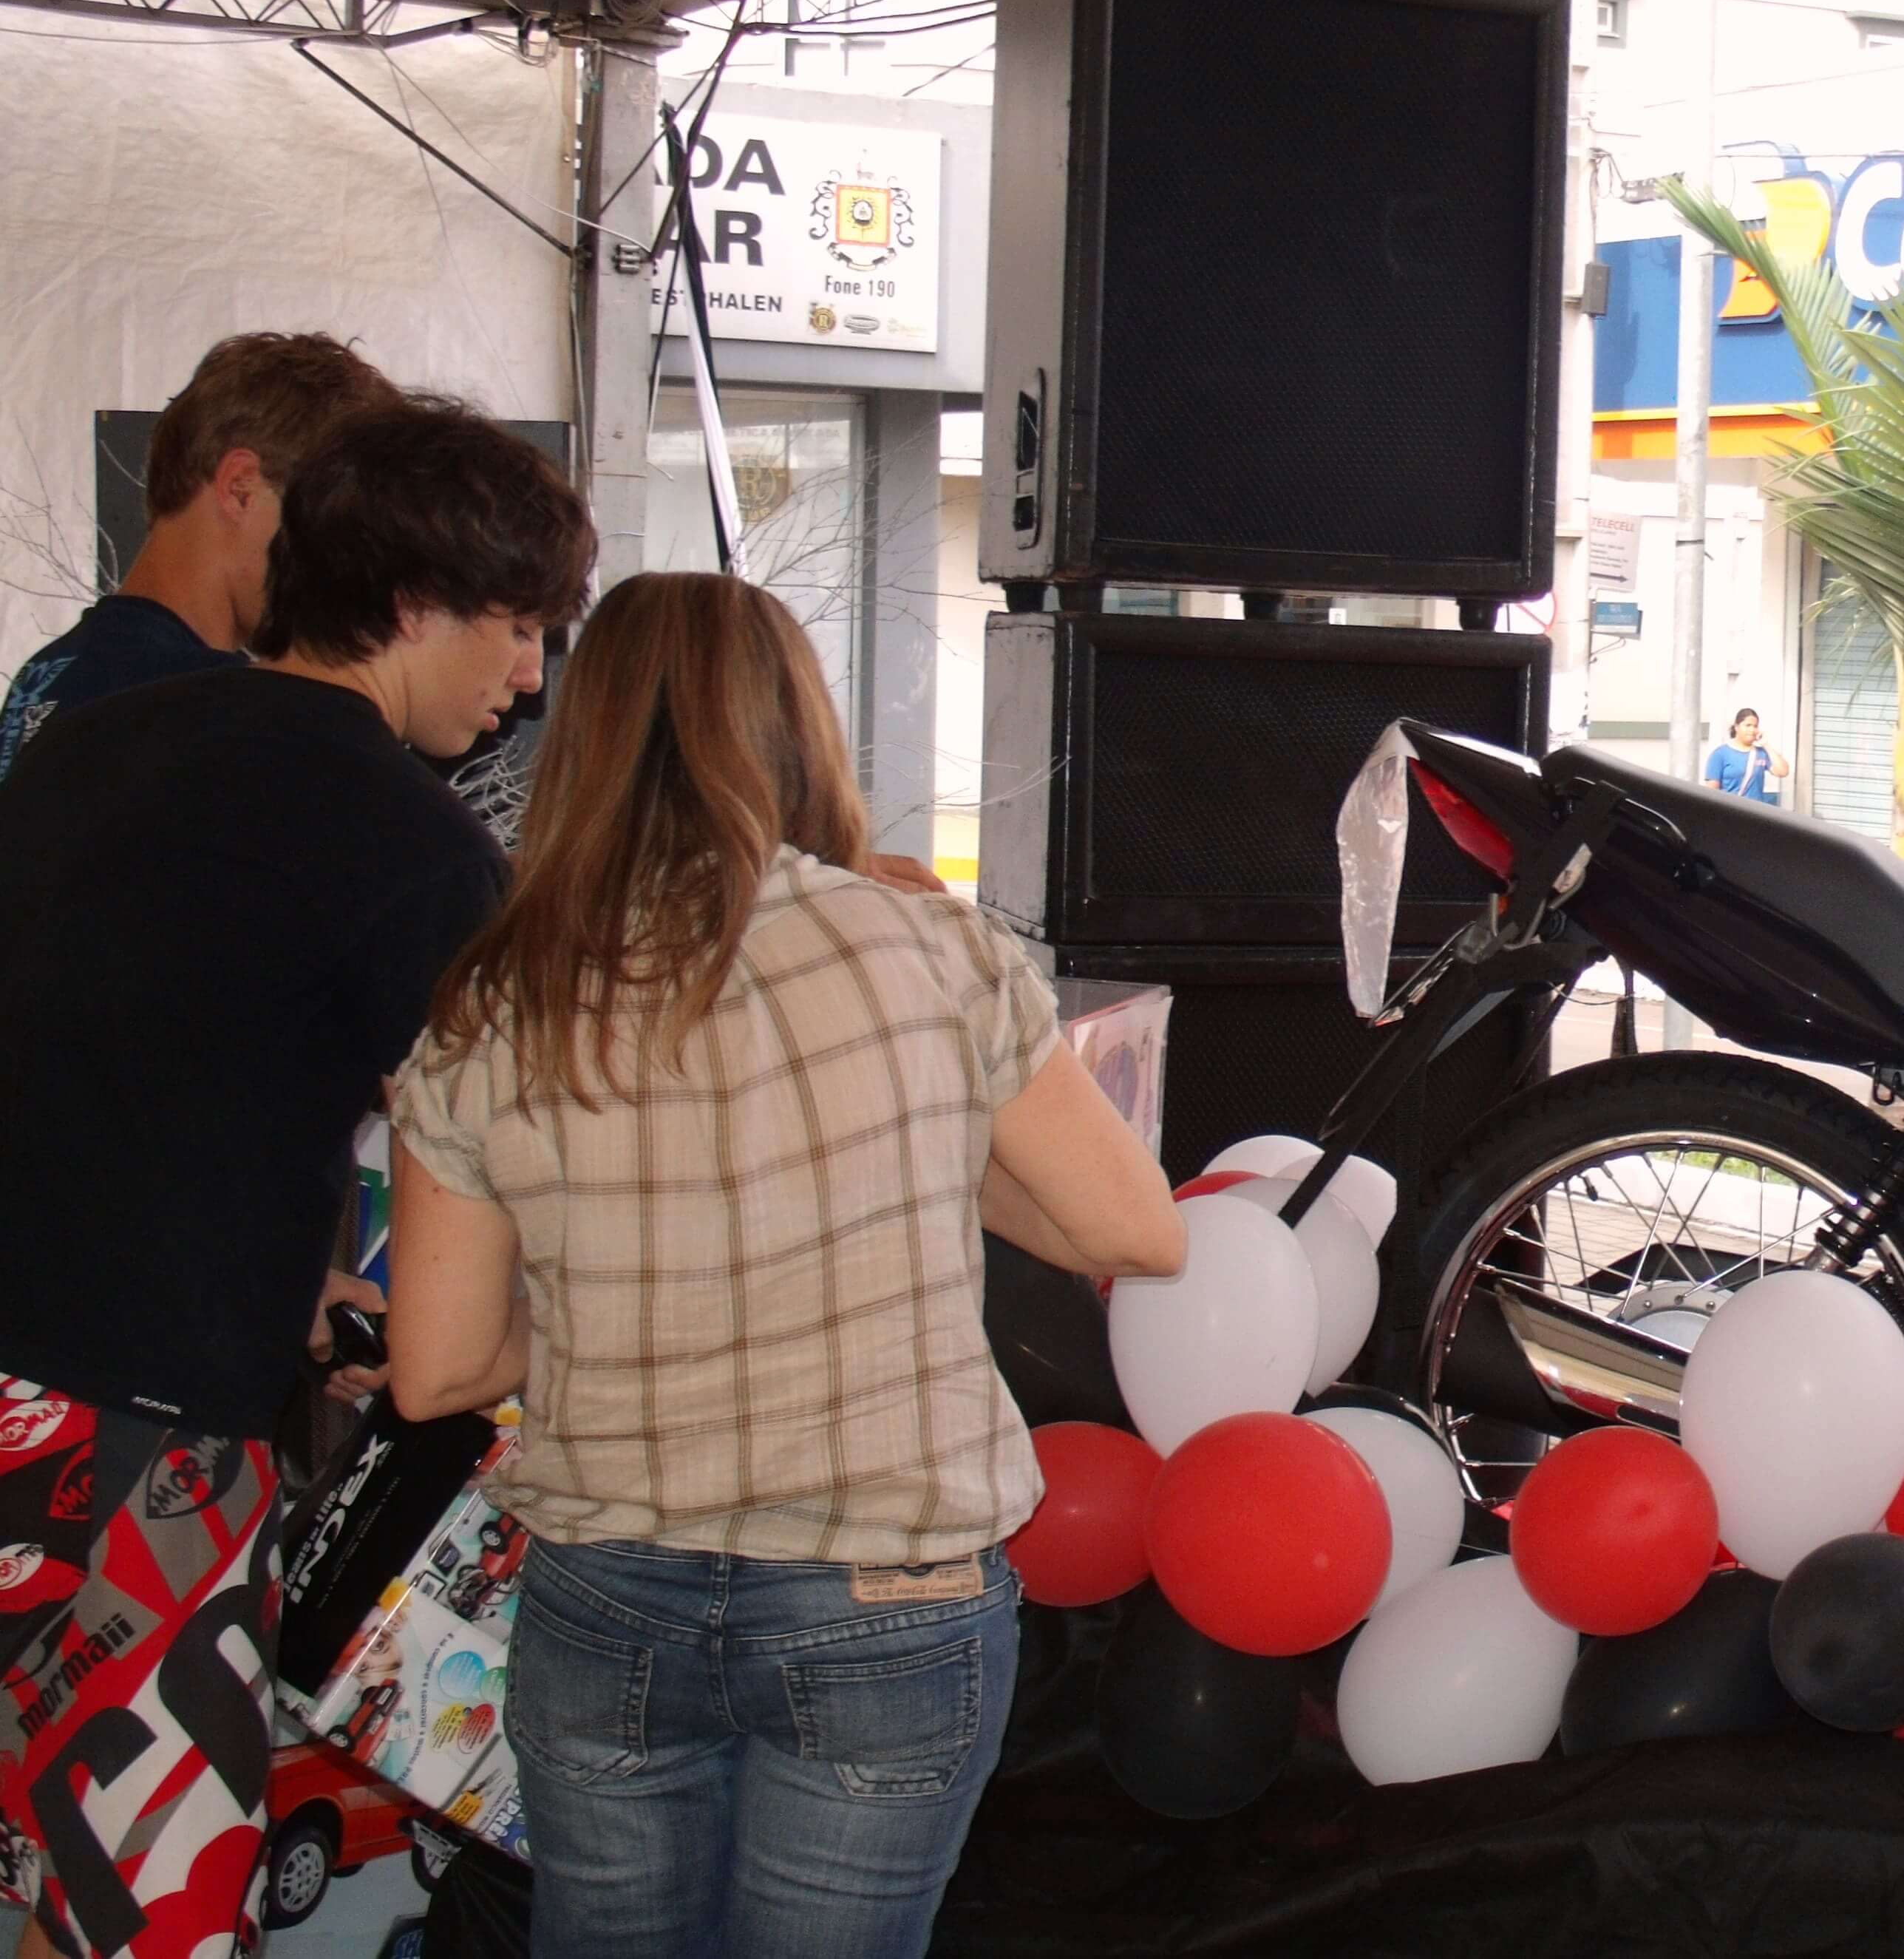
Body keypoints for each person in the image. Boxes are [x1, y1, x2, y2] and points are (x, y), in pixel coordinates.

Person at [384, 572, 1185, 1959]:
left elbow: (437, 1369)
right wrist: (904, 1146)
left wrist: (620, 1288)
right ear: (796, 727)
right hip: (886, 1596)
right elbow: (1133, 1229)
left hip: (610, 1587)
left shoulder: (495, 1000)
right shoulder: (926, 947)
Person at [0, 401, 593, 1959]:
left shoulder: (87, 739)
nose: (528, 674)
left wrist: (288, 1279)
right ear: (413, 603)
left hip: (28, 1386)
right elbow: (517, 1174)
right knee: (138, 1902)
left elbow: (126, 1061)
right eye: (516, 625)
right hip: (138, 1446)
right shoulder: (408, 842)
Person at [0, 332, 404, 781]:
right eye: (336, 528)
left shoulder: (49, 672)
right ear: (242, 488)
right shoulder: (220, 704)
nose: (347, 571)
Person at [1702, 706, 1789, 804]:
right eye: (1748, 725)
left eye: (1755, 726)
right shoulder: (1720, 754)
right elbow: (1712, 792)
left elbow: (1783, 772)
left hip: (1754, 810)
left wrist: (1766, 745)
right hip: (1730, 809)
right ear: (1737, 727)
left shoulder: (1761, 753)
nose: (1752, 730)